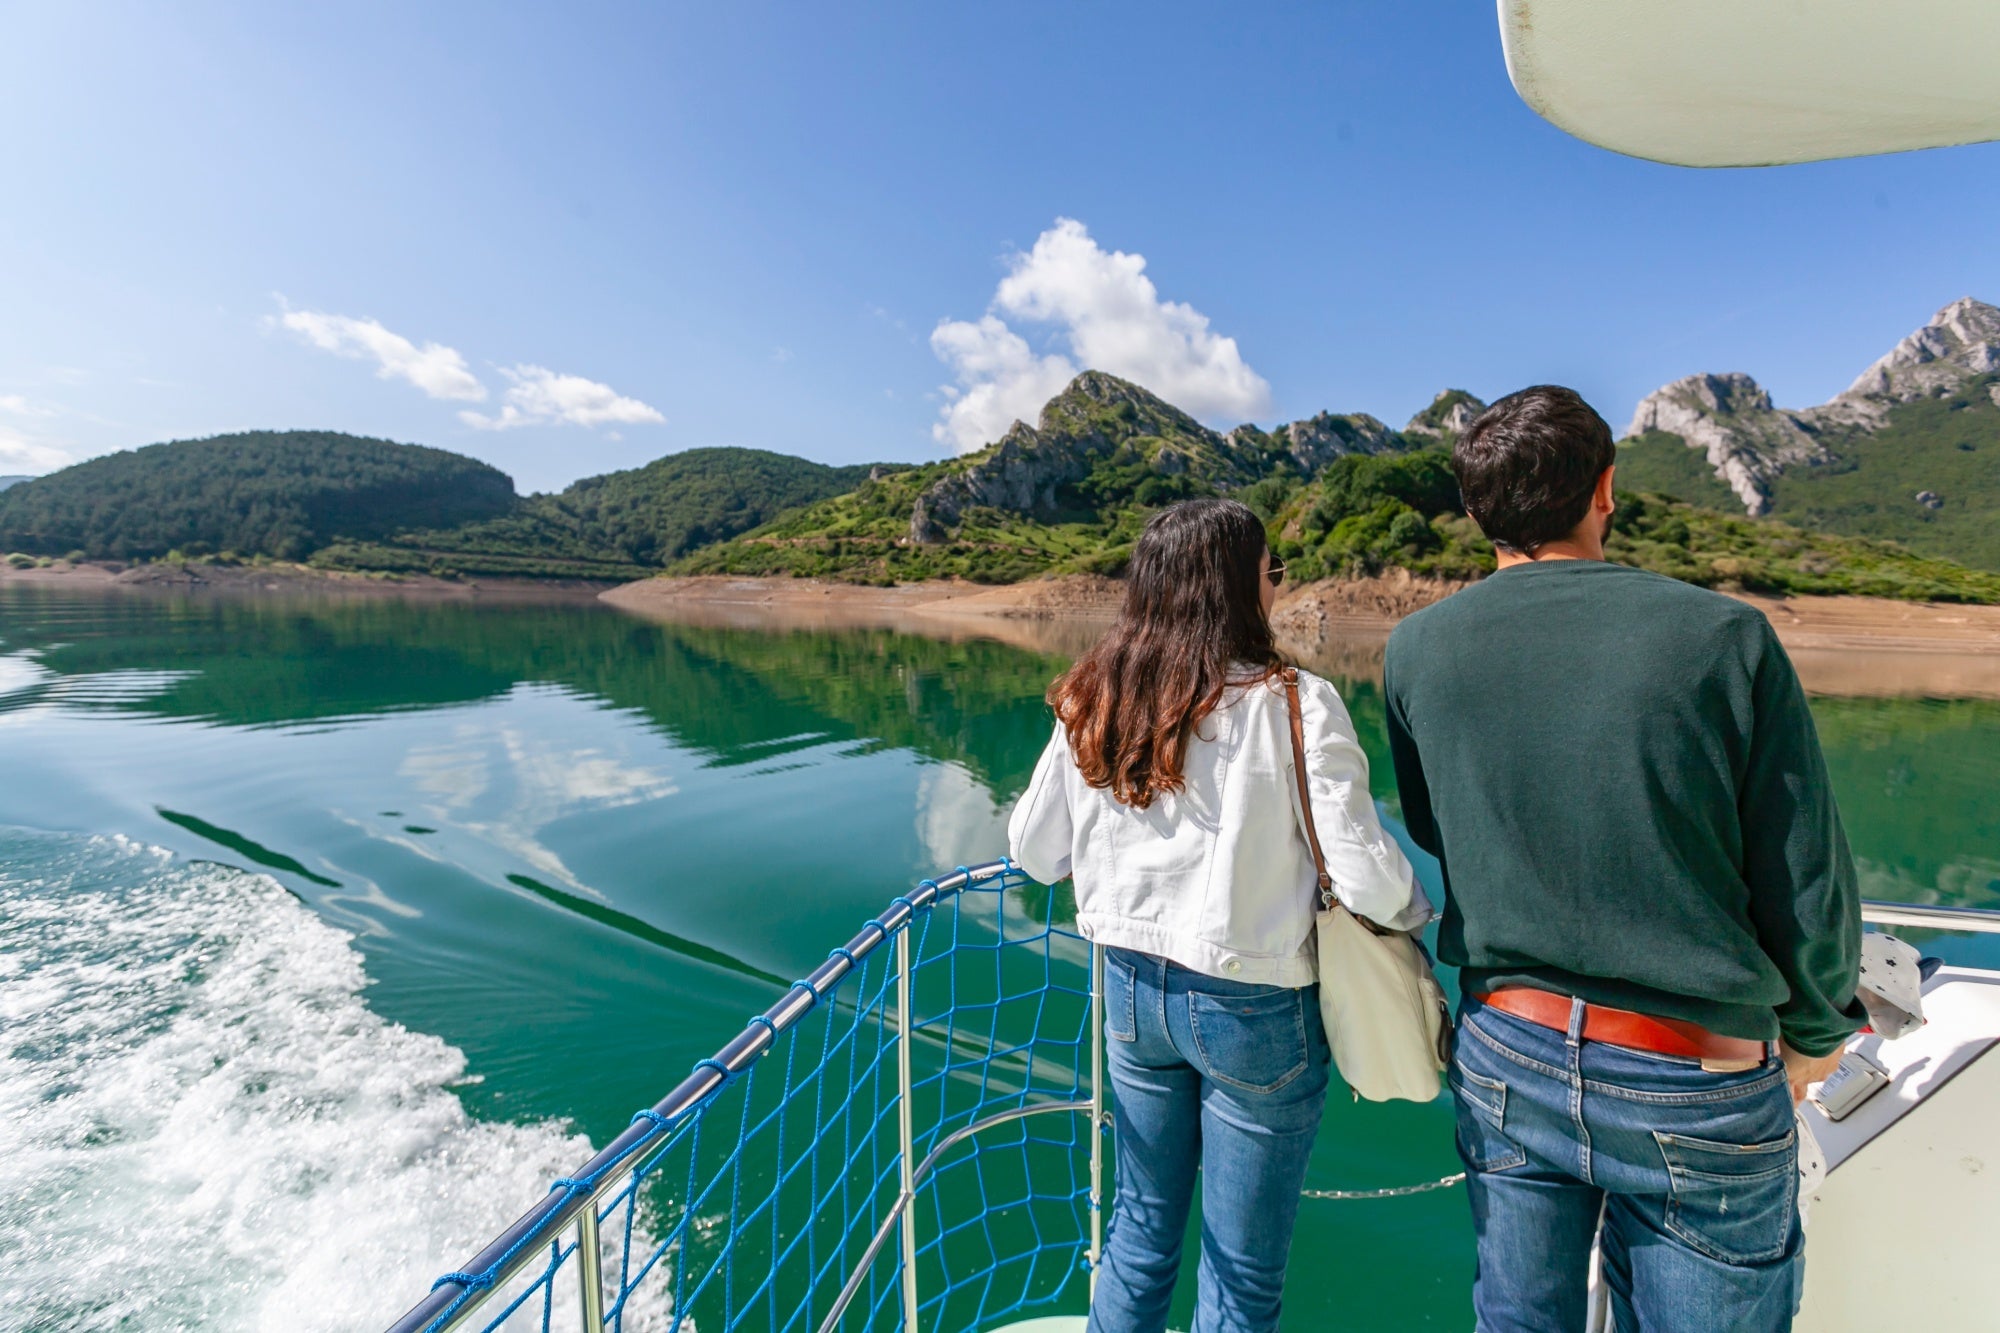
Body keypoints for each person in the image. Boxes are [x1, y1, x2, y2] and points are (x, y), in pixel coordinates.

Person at [1384, 386, 1864, 1332]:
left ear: (1477, 511)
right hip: (1694, 1070)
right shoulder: (1725, 637)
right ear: (1607, 489)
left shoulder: (1415, 648)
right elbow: (1804, 873)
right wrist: (1815, 1030)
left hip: (1504, 1048)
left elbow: (1442, 831)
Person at [1009, 497, 1431, 1333]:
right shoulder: (1295, 700)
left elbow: (1032, 851)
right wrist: (1415, 912)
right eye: (1274, 572)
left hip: (1130, 996)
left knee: (1140, 1227)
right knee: (1239, 1270)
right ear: (1243, 586)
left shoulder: (1096, 694)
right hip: (1257, 1007)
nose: (1279, 587)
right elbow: (1369, 881)